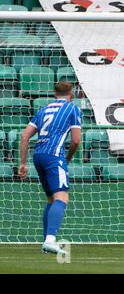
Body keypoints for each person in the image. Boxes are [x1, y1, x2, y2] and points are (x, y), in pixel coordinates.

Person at [19, 82, 82, 255]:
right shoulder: (72, 109)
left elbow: (25, 136)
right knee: (61, 197)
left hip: (38, 156)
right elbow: (76, 140)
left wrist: (23, 163)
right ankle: (50, 240)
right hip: (54, 157)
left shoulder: (43, 110)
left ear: (54, 94)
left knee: (50, 199)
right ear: (71, 95)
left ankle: (46, 242)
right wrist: (67, 159)